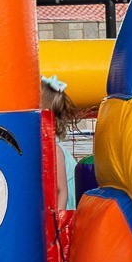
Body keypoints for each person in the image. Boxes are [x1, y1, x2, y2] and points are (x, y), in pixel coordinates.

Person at [40, 75, 79, 210]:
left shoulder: (54, 150)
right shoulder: (42, 147)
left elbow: (62, 191)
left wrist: (57, 223)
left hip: (64, 205)